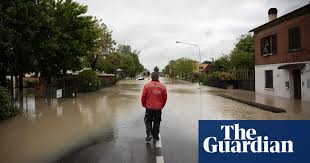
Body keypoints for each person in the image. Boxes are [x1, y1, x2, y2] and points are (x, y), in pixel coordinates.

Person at [141, 72, 167, 142]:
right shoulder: (163, 86)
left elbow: (143, 97)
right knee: (157, 121)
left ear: (151, 77)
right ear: (158, 78)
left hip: (149, 107)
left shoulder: (147, 86)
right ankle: (155, 137)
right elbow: (165, 98)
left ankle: (149, 134)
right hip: (158, 108)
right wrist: (162, 106)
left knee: (147, 120)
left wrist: (144, 104)